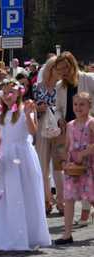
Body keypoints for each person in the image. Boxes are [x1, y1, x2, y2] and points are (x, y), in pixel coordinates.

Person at [0, 80, 51, 251]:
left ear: (19, 93)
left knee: (23, 194)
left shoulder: (24, 111)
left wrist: (28, 114)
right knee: (2, 196)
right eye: (4, 92)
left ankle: (26, 237)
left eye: (11, 91)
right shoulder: (0, 115)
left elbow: (33, 132)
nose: (7, 95)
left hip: (22, 156)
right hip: (4, 157)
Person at [54, 52, 94, 225]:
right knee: (77, 170)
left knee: (88, 171)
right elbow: (57, 108)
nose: (63, 71)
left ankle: (85, 212)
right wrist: (59, 118)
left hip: (89, 128)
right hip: (71, 131)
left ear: (73, 65)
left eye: (65, 67)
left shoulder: (88, 78)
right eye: (59, 69)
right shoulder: (59, 86)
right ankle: (82, 211)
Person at [55, 92, 94, 245]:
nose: (78, 107)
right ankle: (67, 234)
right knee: (69, 199)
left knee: (91, 198)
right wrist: (65, 161)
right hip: (73, 169)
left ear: (89, 106)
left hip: (89, 167)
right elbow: (66, 147)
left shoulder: (91, 123)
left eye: (82, 104)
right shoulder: (70, 125)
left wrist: (84, 153)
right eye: (75, 104)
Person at [32, 57, 65, 216]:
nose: (60, 72)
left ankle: (62, 201)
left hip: (60, 128)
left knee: (60, 166)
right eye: (57, 68)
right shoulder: (37, 87)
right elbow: (31, 109)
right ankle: (46, 200)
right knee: (43, 166)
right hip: (42, 128)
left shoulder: (63, 88)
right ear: (50, 69)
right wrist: (38, 108)